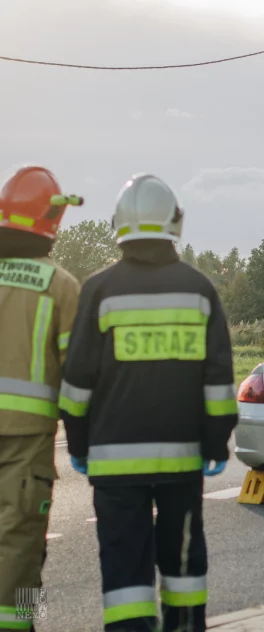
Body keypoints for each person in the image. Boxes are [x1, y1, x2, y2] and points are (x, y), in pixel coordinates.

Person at [59, 174, 238, 632]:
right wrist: (216, 447)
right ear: (175, 222)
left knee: (124, 574)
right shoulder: (198, 290)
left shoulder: (98, 290)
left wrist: (78, 446)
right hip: (181, 462)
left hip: (114, 465)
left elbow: (77, 383)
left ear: (119, 224)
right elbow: (218, 383)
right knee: (182, 565)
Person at [0, 167, 82, 631]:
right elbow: (77, 381)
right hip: (27, 445)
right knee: (25, 547)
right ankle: (27, 623)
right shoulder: (60, 286)